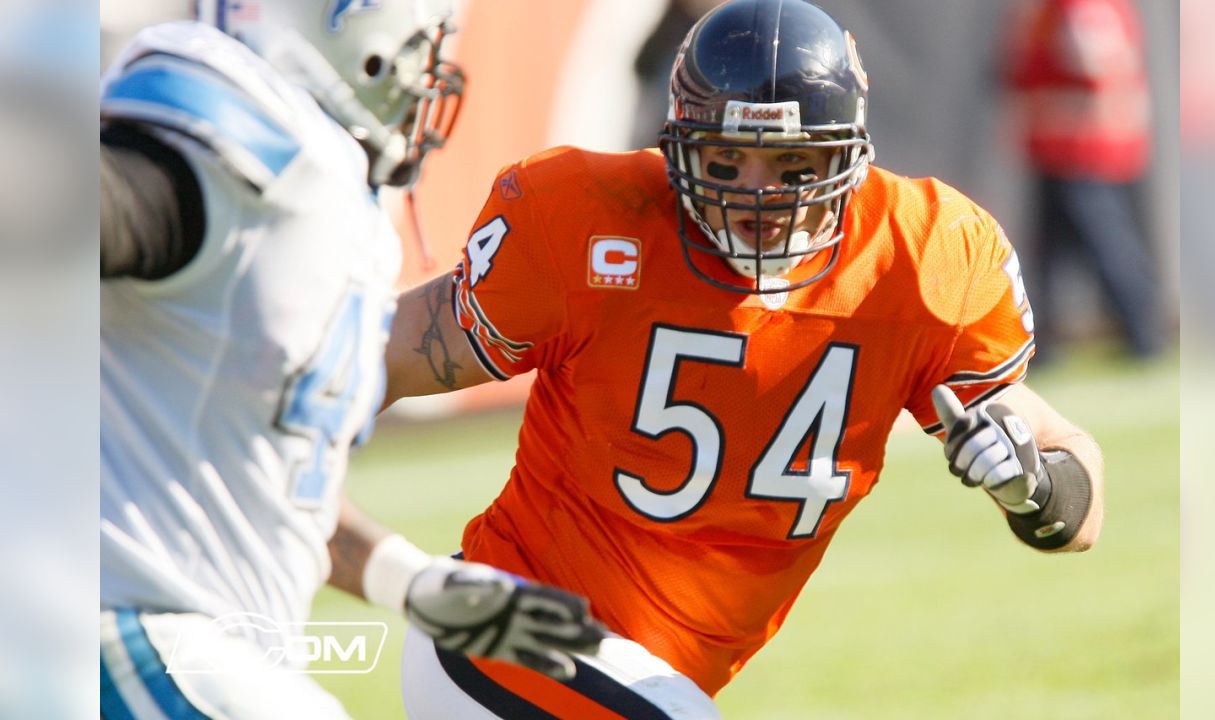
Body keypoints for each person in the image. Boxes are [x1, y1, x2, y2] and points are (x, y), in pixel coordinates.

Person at [384, 0, 1104, 717]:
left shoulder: (924, 257)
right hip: (502, 633)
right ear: (678, 150)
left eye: (793, 164)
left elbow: (1080, 502)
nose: (756, 196)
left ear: (848, 157)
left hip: (641, 677)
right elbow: (379, 357)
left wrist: (1035, 485)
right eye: (724, 162)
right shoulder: (587, 218)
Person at [99, 2, 603, 718]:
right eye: (418, 52)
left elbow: (261, 487)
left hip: (196, 640)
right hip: (117, 625)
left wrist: (411, 582)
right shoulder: (245, 125)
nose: (425, 83)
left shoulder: (318, 198)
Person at [1003, 0, 1163, 361]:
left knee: (1107, 246)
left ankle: (1144, 334)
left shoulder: (1080, 6)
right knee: (1048, 254)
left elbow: (1095, 62)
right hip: (1064, 147)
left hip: (1083, 147)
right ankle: (1041, 344)